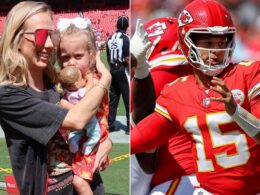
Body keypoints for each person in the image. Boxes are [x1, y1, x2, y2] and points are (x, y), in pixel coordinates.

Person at [131, 0, 260, 194]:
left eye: (221, 42)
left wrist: (236, 112)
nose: (216, 51)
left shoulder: (249, 73)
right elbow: (140, 138)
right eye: (208, 43)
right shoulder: (177, 92)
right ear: (186, 43)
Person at [0, 1, 111, 194]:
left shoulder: (56, 83)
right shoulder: (8, 95)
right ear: (16, 39)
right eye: (41, 35)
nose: (51, 44)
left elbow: (92, 122)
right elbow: (76, 120)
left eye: (52, 35)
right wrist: (105, 80)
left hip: (89, 185)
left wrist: (105, 142)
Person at [130, 18, 198, 195]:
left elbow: (143, 135)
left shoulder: (156, 79)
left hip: (178, 178)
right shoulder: (201, 75)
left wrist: (141, 72)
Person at [106, 15, 130, 134]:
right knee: (127, 98)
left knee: (113, 98)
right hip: (122, 70)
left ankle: (110, 124)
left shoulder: (110, 38)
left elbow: (108, 56)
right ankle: (129, 126)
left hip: (113, 69)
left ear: (116, 25)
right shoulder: (126, 39)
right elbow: (127, 58)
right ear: (127, 26)